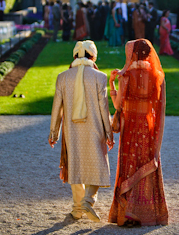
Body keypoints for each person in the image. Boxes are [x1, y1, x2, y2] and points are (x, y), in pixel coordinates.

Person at [49, 41, 114, 222]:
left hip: (71, 129)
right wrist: (109, 132)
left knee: (75, 164)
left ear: (75, 56)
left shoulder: (63, 77)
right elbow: (104, 108)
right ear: (93, 56)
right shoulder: (99, 76)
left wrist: (54, 132)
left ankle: (77, 208)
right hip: (95, 128)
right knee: (98, 162)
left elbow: (57, 108)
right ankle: (88, 201)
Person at [108, 39, 169, 227]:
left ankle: (127, 212)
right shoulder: (157, 75)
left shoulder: (126, 75)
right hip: (147, 126)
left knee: (130, 165)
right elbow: (159, 105)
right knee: (145, 161)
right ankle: (147, 211)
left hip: (131, 126)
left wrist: (112, 84)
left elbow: (118, 105)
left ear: (133, 54)